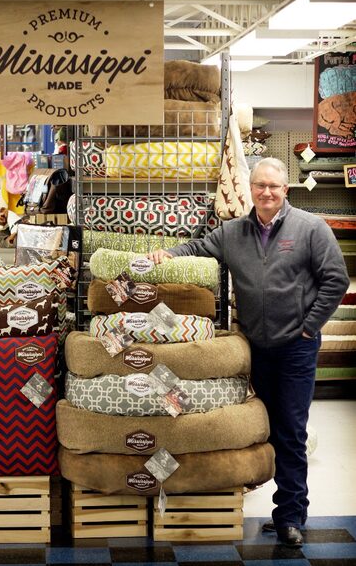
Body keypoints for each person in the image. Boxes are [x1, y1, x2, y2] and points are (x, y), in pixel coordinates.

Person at [147, 157, 350, 548]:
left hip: (296, 348)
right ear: (250, 190)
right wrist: (170, 254)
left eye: (274, 186)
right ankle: (276, 505)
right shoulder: (232, 232)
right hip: (254, 347)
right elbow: (200, 246)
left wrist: (310, 327)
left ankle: (291, 515)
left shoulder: (311, 229)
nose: (267, 192)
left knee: (290, 431)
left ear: (285, 190)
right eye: (260, 186)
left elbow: (335, 279)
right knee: (261, 428)